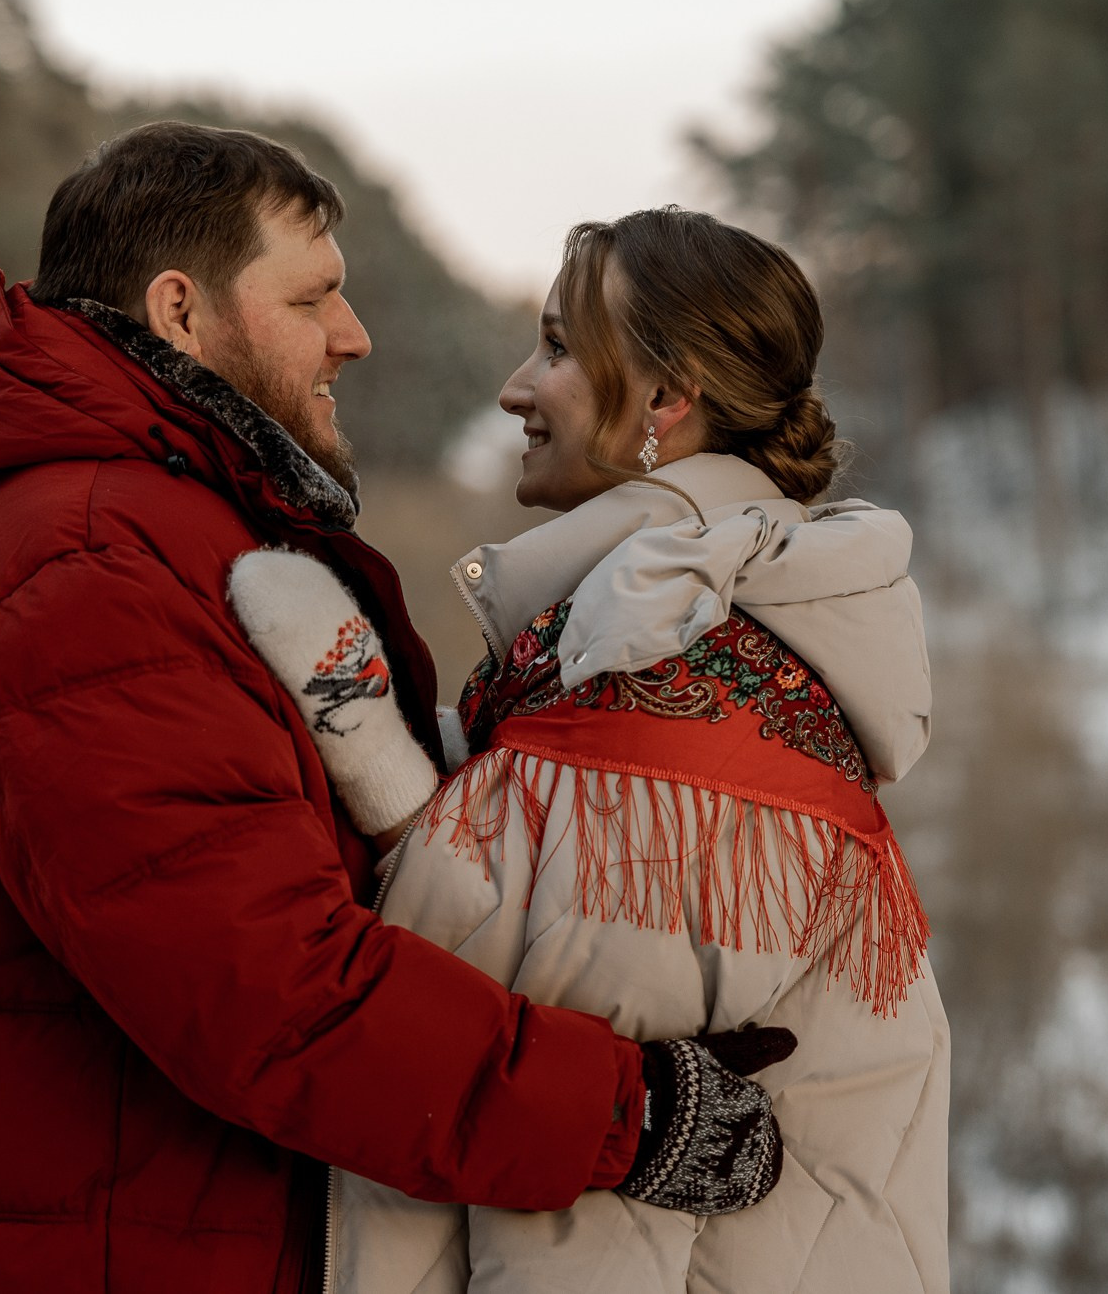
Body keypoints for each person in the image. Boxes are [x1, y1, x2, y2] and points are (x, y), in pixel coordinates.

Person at [0, 126, 794, 1294]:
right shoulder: (84, 565)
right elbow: (267, 988)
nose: (352, 334)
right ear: (180, 312)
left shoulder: (164, 523)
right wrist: (628, 1113)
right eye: (314, 296)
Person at [231, 206, 949, 1293]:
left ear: (667, 397)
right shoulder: (653, 672)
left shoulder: (667, 728)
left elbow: (593, 1203)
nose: (515, 388)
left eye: (559, 349)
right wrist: (377, 759)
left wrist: (372, 752)